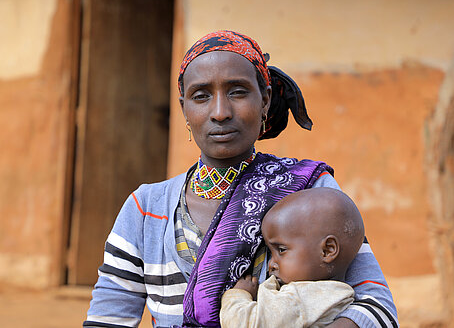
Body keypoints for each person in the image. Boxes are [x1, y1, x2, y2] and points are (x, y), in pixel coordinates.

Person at [83, 30, 398, 328]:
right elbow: (107, 318)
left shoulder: (310, 194)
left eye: (237, 92)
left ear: (264, 100)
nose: (220, 112)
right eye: (201, 96)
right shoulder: (145, 209)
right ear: (184, 110)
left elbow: (378, 308)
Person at [220, 187, 365, 328]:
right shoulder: (335, 295)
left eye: (281, 250)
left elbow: (242, 323)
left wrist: (239, 295)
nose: (271, 264)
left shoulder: (300, 299)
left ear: (327, 250)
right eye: (270, 252)